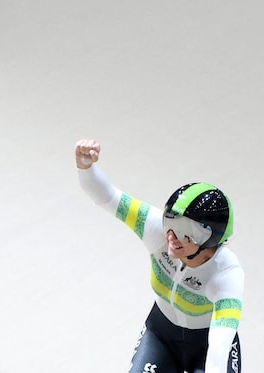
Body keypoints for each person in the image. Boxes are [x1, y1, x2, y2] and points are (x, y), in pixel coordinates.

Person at [75, 139, 243, 373]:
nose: (172, 237)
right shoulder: (156, 229)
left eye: (186, 232)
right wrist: (86, 168)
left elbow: (219, 347)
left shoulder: (226, 273)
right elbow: (109, 197)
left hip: (207, 347)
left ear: (210, 239)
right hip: (161, 336)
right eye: (170, 222)